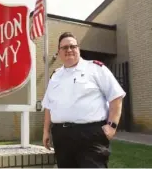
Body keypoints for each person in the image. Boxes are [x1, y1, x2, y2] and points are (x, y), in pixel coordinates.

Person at [42, 32, 126, 168]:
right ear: (59, 52)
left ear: (78, 49)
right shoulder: (55, 76)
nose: (69, 50)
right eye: (64, 48)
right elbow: (48, 106)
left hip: (90, 135)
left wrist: (112, 126)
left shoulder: (95, 68)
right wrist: (46, 131)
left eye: (72, 46)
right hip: (62, 136)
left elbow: (116, 96)